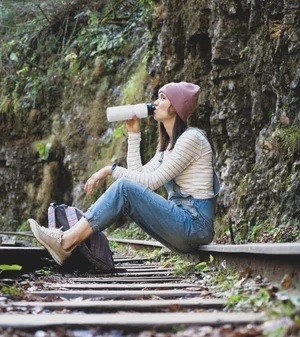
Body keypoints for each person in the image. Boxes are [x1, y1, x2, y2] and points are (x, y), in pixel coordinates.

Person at [28, 82, 220, 265]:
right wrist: (134, 135)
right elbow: (138, 176)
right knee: (126, 188)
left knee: (123, 187)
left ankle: (65, 242)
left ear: (175, 107)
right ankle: (70, 243)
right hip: (183, 225)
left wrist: (110, 170)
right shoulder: (168, 148)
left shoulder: (192, 138)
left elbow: (151, 182)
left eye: (162, 98)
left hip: (194, 225)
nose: (155, 102)